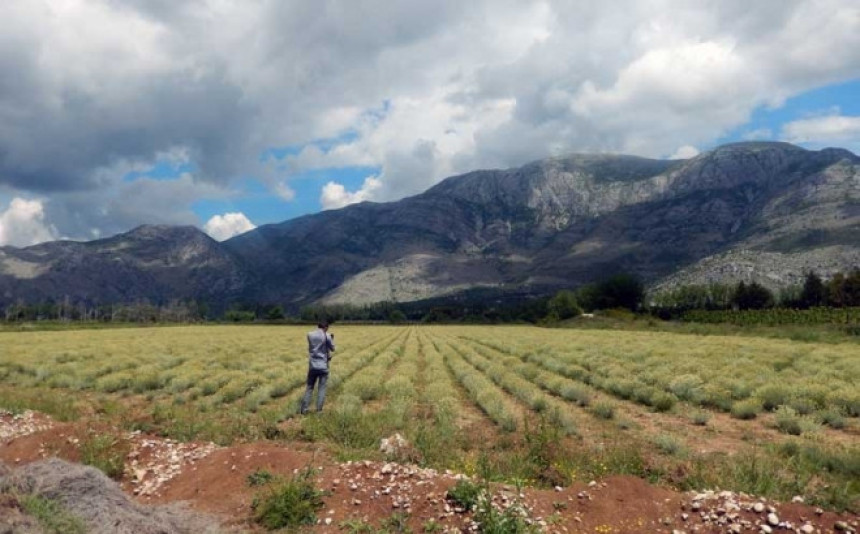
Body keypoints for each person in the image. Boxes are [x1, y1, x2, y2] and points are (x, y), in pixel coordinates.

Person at [300, 320, 335, 414]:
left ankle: (304, 409)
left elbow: (314, 346)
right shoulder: (326, 335)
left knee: (309, 387)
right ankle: (319, 410)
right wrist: (331, 339)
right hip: (323, 365)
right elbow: (332, 348)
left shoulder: (310, 334)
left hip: (312, 365)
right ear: (326, 327)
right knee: (322, 388)